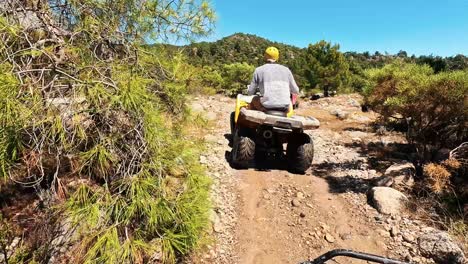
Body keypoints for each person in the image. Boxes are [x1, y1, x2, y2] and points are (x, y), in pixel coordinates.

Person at [248, 46, 300, 112]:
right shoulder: (286, 70)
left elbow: (250, 92)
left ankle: (259, 115)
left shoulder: (258, 70)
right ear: (277, 57)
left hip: (266, 106)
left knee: (254, 99)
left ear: (265, 56)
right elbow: (296, 91)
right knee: (289, 103)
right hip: (285, 106)